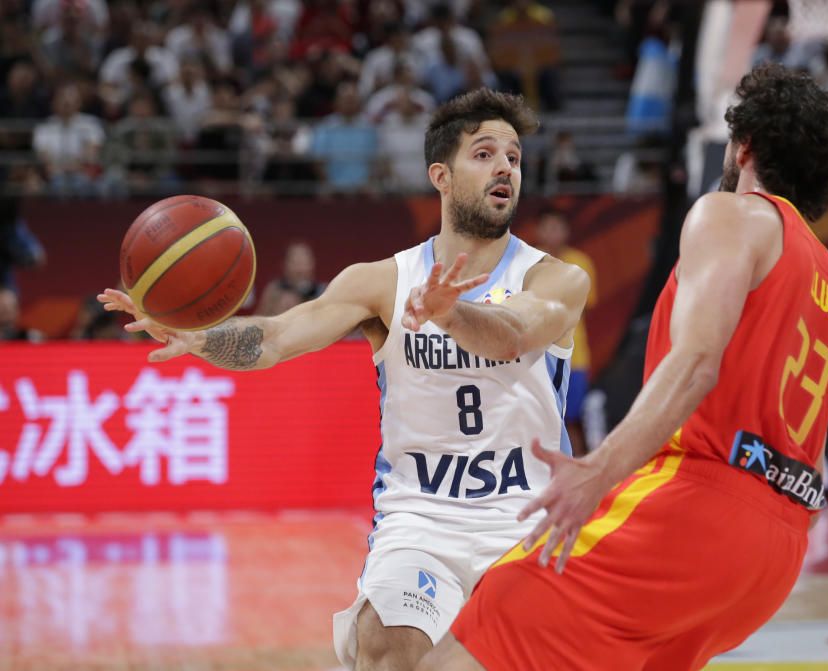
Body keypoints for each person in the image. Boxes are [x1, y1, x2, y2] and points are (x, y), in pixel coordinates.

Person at [98, 88, 590, 671]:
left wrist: (451, 312)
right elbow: (278, 337)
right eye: (484, 154)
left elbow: (511, 333)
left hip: (527, 521)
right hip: (422, 520)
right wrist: (199, 338)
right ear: (441, 175)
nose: (506, 166)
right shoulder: (381, 281)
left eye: (514, 156)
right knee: (385, 646)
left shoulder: (555, 278)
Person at [418, 62, 828, 671]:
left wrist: (598, 470)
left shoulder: (731, 215)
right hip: (778, 551)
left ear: (744, 145)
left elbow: (698, 362)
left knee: (494, 618)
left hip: (699, 506)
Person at [534, 207, 597, 456]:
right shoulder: (528, 261)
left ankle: (577, 473)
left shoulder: (581, 262)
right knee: (536, 420)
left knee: (571, 420)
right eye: (547, 227)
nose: (552, 233)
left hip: (575, 357)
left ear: (566, 231)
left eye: (557, 227)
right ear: (538, 230)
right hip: (535, 356)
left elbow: (587, 308)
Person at [255, 241, 325, 316]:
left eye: (304, 263)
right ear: (284, 265)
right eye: (295, 263)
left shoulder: (323, 292)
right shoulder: (274, 290)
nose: (300, 269)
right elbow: (258, 321)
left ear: (312, 264)